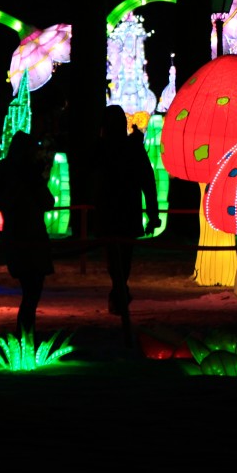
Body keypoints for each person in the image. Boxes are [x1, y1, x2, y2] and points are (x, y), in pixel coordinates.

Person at [94, 104, 159, 316]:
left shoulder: (102, 149)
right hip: (126, 211)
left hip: (109, 212)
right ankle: (120, 293)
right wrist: (152, 214)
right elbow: (147, 183)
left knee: (115, 259)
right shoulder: (131, 149)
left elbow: (147, 183)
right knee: (122, 259)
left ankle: (119, 293)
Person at [0, 131, 56, 335]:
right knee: (32, 291)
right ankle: (25, 333)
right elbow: (47, 202)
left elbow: (1, 202)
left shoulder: (2, 170)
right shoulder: (27, 174)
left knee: (30, 291)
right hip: (31, 235)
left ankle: (25, 333)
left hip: (15, 233)